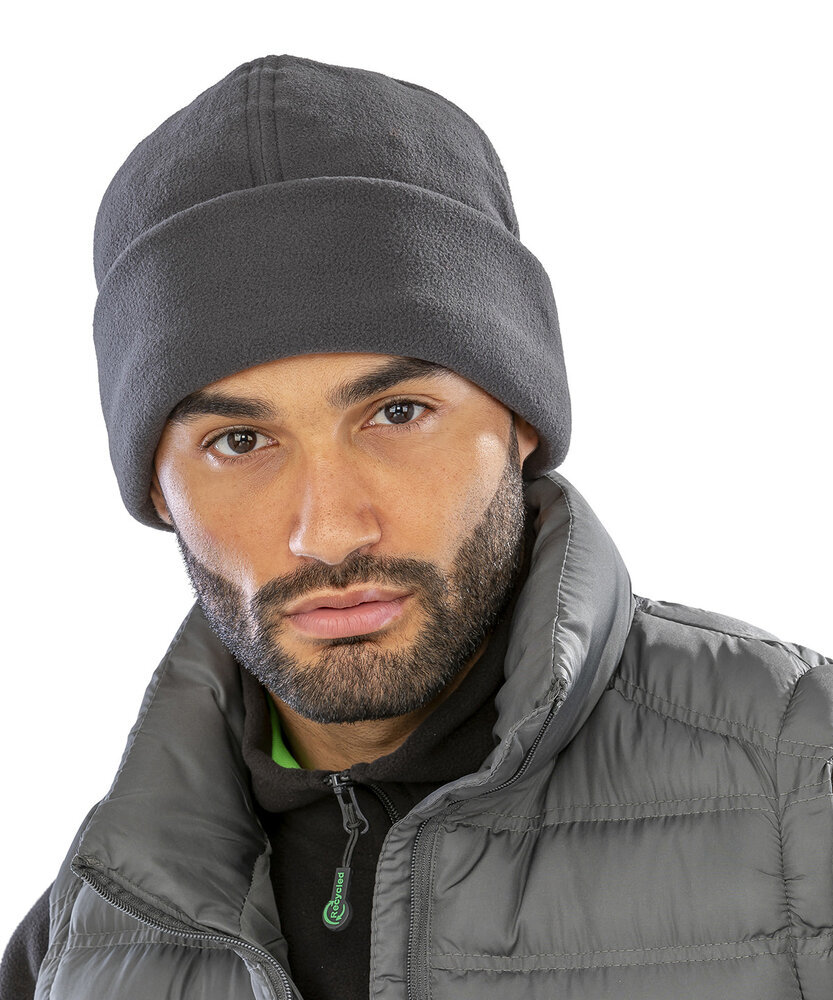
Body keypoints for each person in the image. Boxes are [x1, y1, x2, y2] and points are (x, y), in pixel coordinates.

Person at [2, 52, 831, 1000]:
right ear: (157, 489)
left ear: (520, 420)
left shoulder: (804, 777)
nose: (329, 532)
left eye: (396, 414)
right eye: (239, 441)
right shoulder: (87, 932)